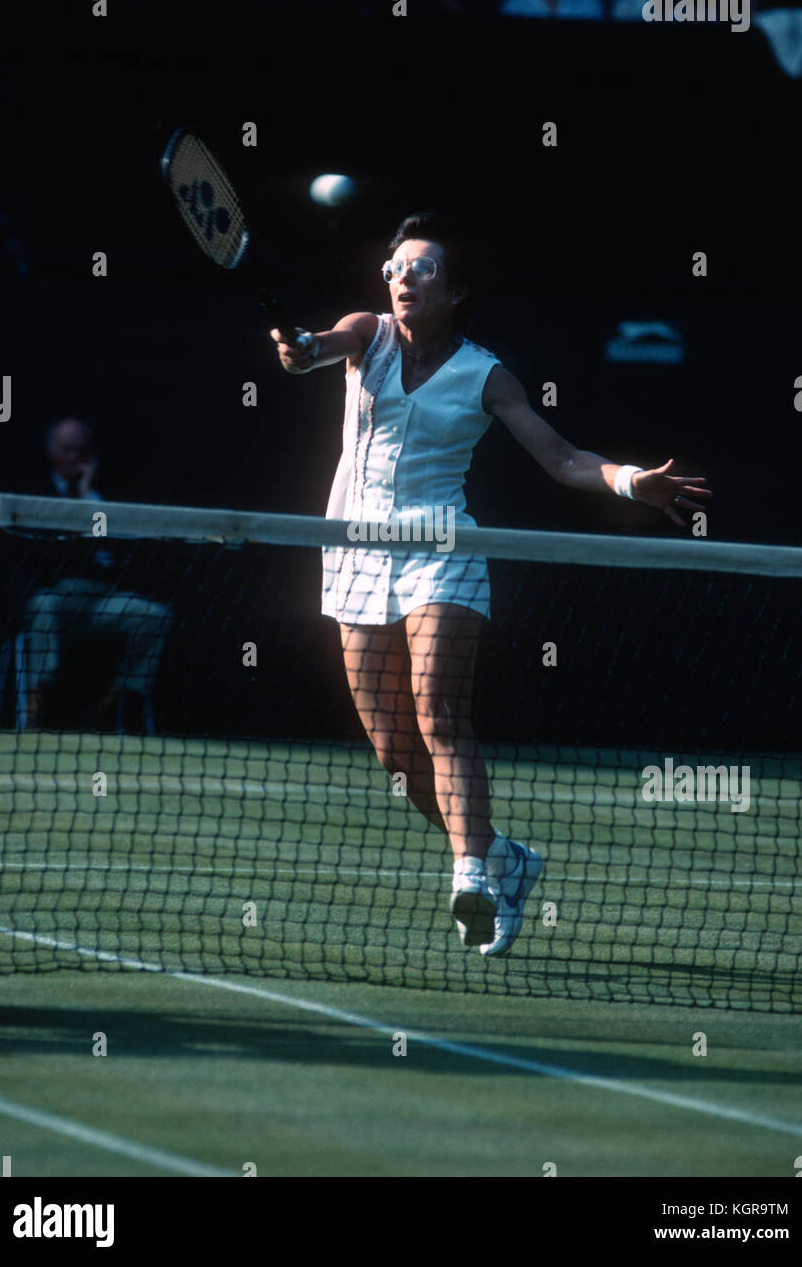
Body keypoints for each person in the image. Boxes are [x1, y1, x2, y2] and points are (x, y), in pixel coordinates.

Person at [271, 214, 711, 957]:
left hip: (444, 548)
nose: (403, 279)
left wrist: (635, 483)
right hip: (353, 552)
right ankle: (505, 855)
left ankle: (470, 873)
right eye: (395, 268)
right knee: (397, 758)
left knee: (438, 708)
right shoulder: (368, 334)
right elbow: (318, 349)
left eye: (424, 269)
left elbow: (564, 459)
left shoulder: (487, 374)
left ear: (457, 290)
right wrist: (302, 349)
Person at [22, 417, 173, 732]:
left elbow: (123, 553)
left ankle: (108, 707)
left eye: (81, 450)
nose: (74, 457)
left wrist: (88, 494)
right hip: (57, 596)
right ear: (52, 451)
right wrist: (77, 500)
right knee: (41, 606)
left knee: (153, 616)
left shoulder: (106, 494)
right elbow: (46, 552)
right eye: (67, 449)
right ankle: (37, 708)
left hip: (102, 599)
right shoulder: (35, 490)